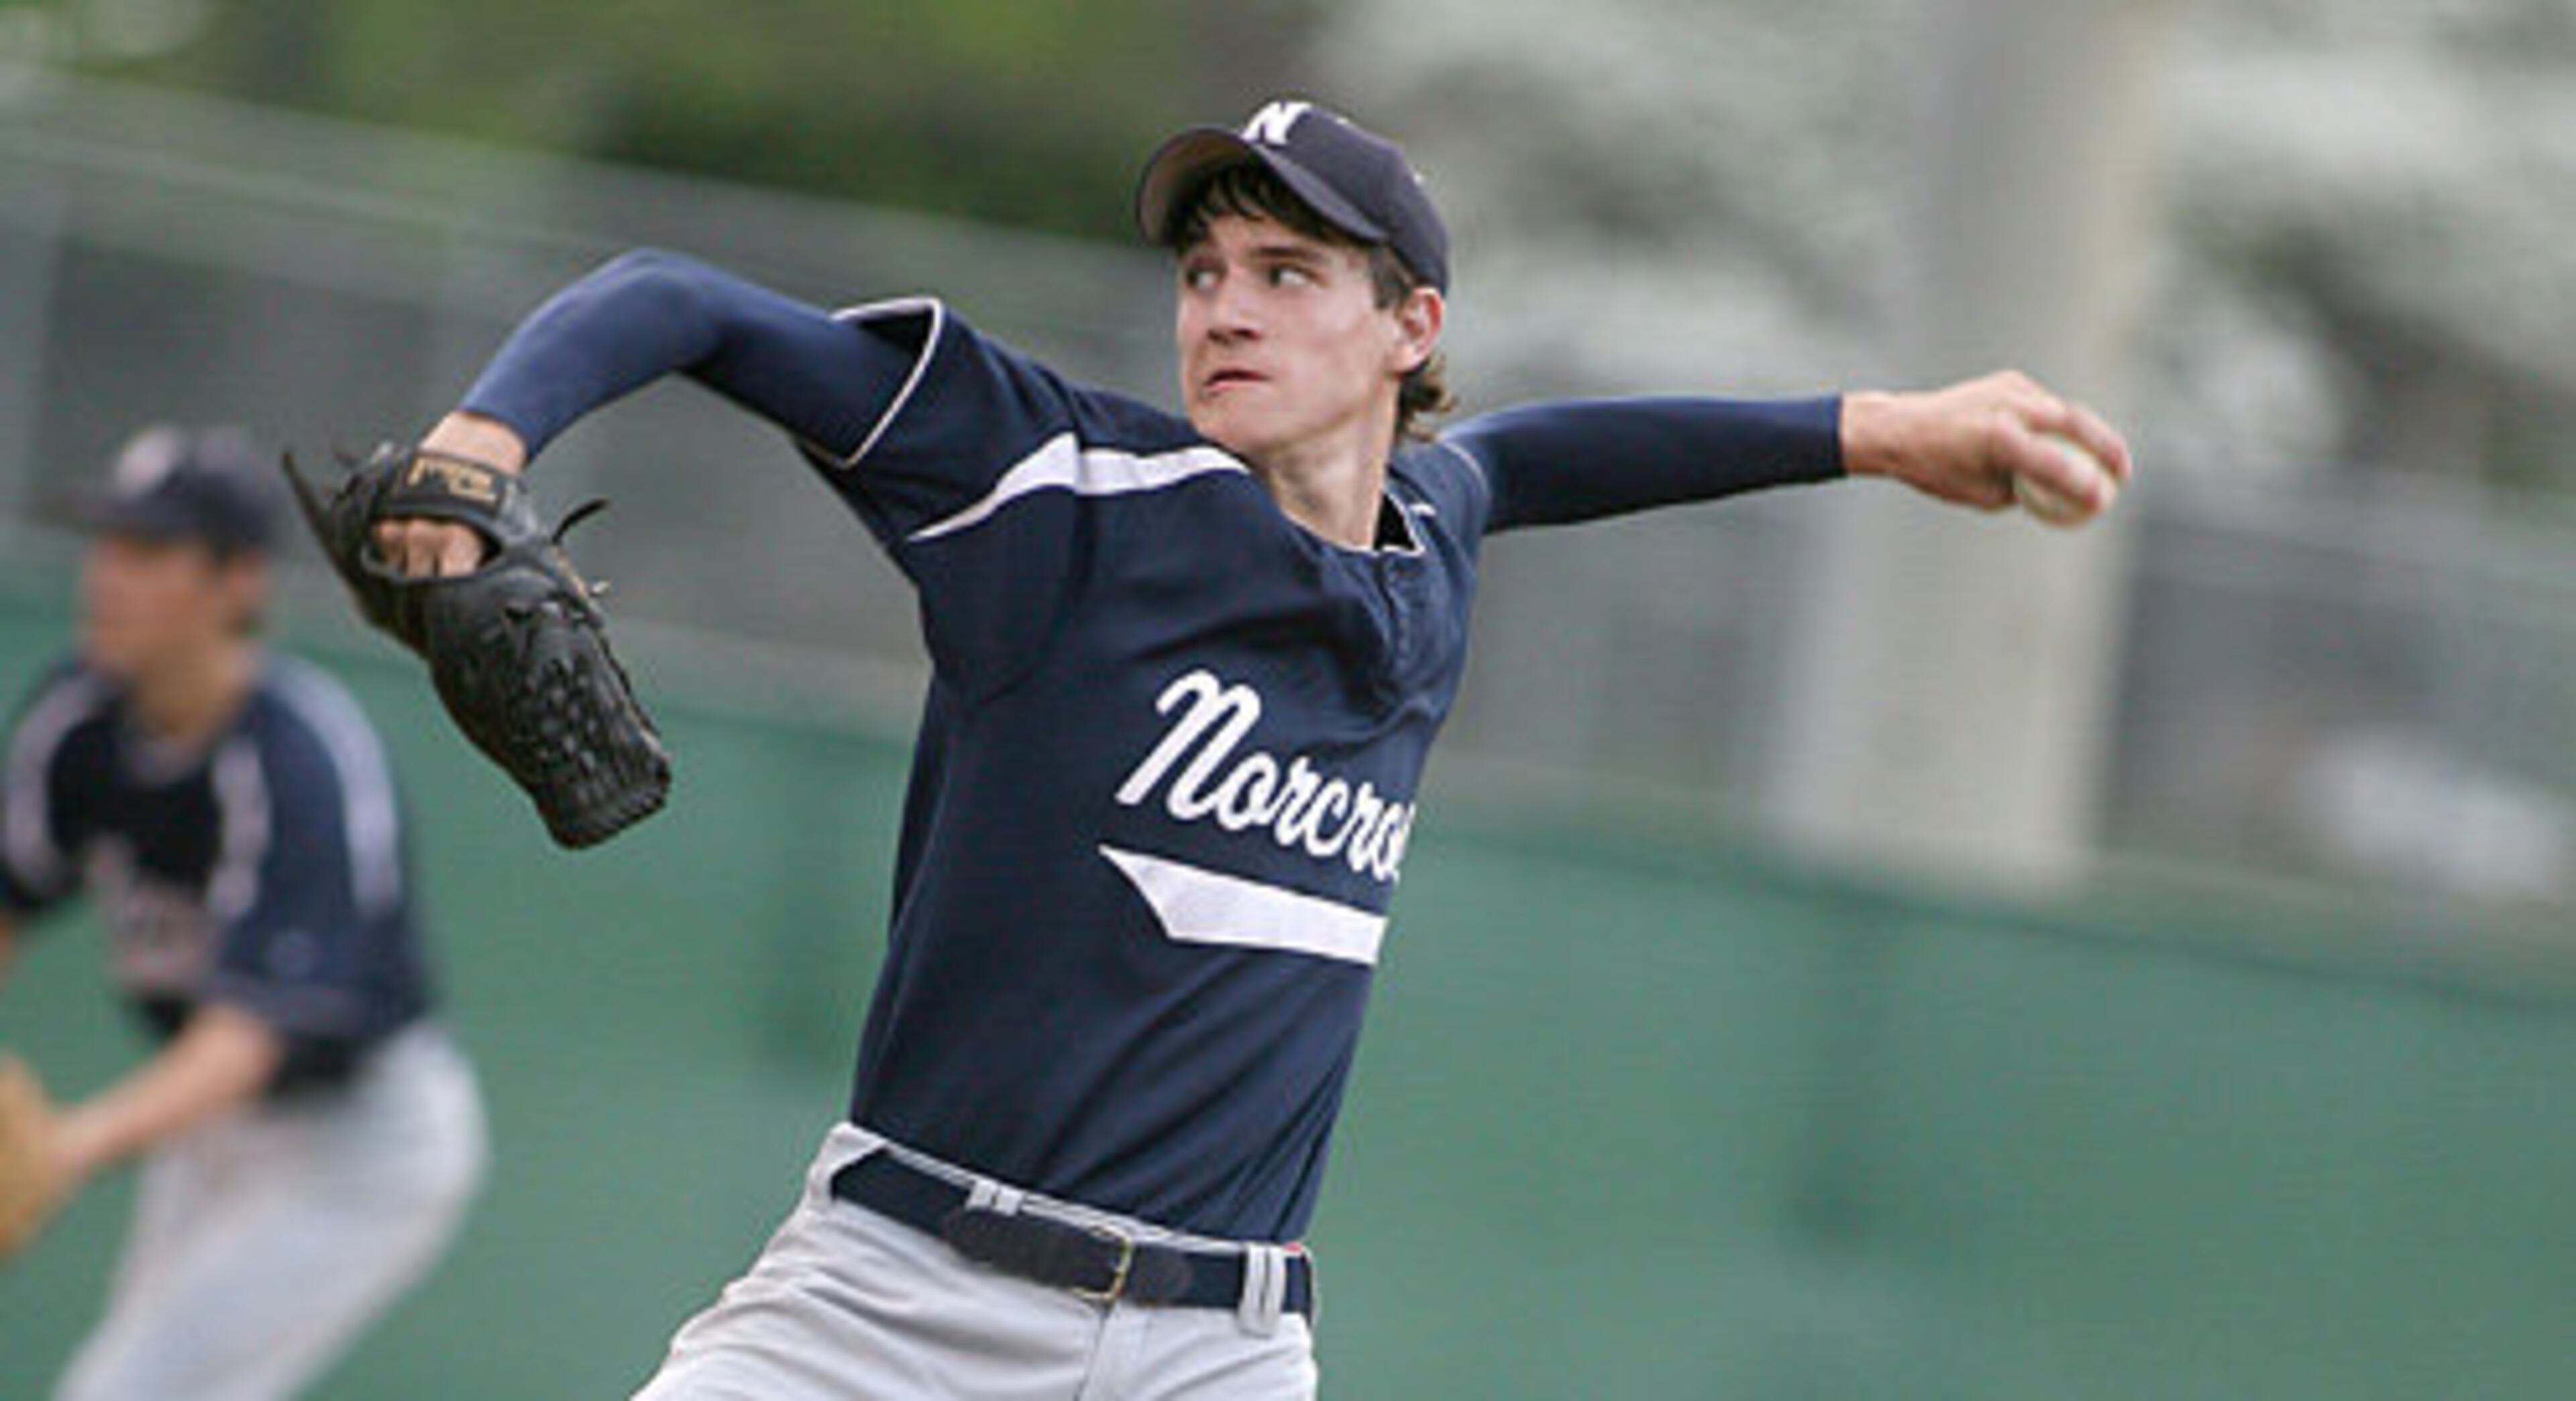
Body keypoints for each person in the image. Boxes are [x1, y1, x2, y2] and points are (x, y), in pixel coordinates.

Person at [371, 99, 2131, 1398]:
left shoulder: (1432, 536)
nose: (1223, 308)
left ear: (1409, 329)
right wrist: (476, 443)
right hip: (892, 1300)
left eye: (1289, 273)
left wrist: (1883, 430)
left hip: (1219, 1349)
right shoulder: (1055, 491)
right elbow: (682, 297)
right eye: (1205, 270)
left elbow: (1558, 455)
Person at [0, 425, 489, 1400]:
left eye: (149, 551)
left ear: (237, 582)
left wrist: (65, 1147)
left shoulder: (301, 758)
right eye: (107, 542)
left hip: (358, 1139)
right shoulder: (77, 720)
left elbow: (249, 1039)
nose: (109, 574)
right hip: (208, 1128)